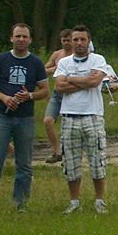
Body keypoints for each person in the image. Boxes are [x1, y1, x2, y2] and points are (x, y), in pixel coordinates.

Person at [0, 23, 49, 212]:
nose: (21, 40)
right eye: (17, 36)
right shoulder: (1, 60)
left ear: (30, 40)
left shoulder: (36, 63)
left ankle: (21, 204)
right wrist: (4, 98)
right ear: (11, 38)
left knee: (24, 164)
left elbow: (44, 90)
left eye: (24, 37)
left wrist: (30, 96)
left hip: (25, 117)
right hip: (1, 116)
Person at [54, 25, 110, 215]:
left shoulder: (98, 59)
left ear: (88, 41)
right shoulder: (64, 62)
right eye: (75, 39)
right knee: (70, 162)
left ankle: (100, 200)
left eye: (82, 40)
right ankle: (74, 201)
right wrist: (84, 81)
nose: (78, 43)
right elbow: (59, 87)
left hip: (93, 115)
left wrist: (71, 79)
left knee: (97, 160)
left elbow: (94, 83)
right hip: (69, 116)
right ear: (70, 41)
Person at [43, 29, 74, 163]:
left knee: (71, 125)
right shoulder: (57, 55)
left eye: (69, 40)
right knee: (48, 121)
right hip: (57, 95)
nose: (67, 43)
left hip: (72, 94)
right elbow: (42, 71)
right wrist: (54, 69)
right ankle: (57, 151)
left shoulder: (77, 55)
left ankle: (73, 151)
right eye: (64, 40)